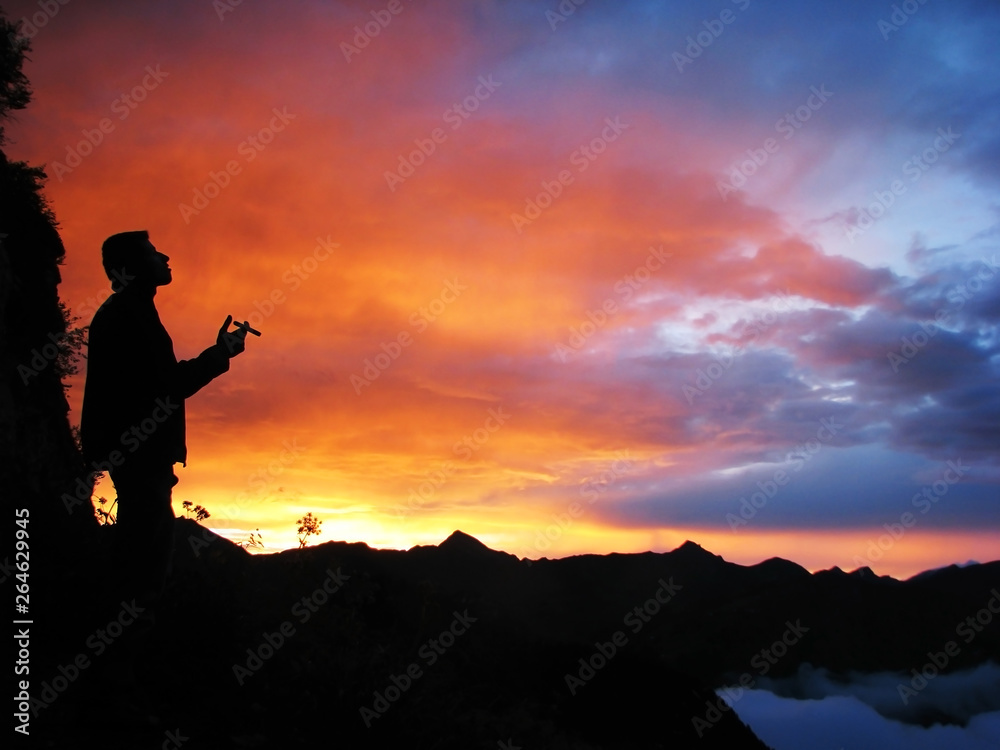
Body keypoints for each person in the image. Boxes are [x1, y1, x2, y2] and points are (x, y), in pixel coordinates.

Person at [81, 230, 249, 609]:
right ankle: (125, 653)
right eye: (154, 253)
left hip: (140, 458)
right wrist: (219, 354)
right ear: (132, 268)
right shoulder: (128, 315)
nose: (166, 257)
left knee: (141, 560)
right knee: (142, 573)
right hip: (142, 458)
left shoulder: (129, 311)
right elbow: (168, 386)